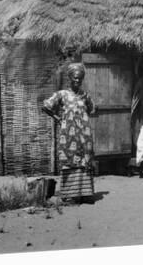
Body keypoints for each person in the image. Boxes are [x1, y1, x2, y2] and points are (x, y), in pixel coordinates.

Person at [42, 63, 96, 203]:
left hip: (84, 135)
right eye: (75, 78)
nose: (77, 81)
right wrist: (59, 119)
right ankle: (70, 195)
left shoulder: (85, 96)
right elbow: (46, 106)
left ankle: (85, 194)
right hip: (68, 135)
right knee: (69, 159)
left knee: (85, 160)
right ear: (70, 78)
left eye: (80, 78)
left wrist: (83, 120)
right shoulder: (62, 94)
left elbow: (93, 109)